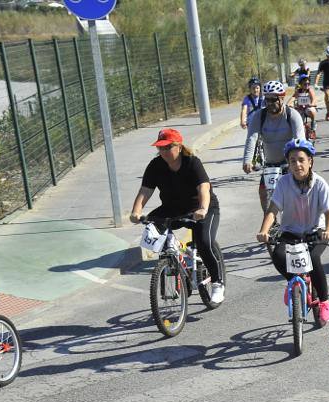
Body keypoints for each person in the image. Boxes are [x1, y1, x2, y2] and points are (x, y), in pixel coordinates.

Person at [131, 128, 224, 305]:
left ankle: (218, 283)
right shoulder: (155, 165)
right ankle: (171, 261)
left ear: (179, 147)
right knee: (153, 224)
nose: (164, 152)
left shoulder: (192, 163)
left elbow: (204, 188)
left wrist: (203, 208)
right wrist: (136, 212)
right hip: (173, 207)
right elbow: (145, 191)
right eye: (160, 148)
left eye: (168, 147)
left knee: (205, 242)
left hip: (202, 208)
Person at [256, 138, 329, 325]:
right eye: (292, 161)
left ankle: (324, 300)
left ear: (310, 161)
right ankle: (293, 281)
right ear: (288, 164)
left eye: (301, 159)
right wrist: (264, 231)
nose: (297, 164)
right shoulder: (283, 183)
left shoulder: (320, 183)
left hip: (316, 232)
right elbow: (273, 210)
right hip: (291, 233)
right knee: (277, 254)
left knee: (314, 259)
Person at [243, 80, 306, 211]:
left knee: (299, 190)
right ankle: (271, 224)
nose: (270, 104)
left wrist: (296, 163)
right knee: (263, 193)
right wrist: (247, 160)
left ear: (282, 98)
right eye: (267, 100)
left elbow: (299, 142)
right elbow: (251, 138)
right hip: (270, 165)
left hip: (290, 162)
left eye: (273, 100)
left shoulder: (292, 115)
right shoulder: (259, 116)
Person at [287, 74, 318, 140]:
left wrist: (312, 104)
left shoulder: (310, 90)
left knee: (311, 111)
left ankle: (313, 127)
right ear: (301, 83)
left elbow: (314, 99)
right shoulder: (298, 91)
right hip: (300, 109)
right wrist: (288, 104)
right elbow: (293, 98)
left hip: (308, 108)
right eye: (305, 82)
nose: (307, 83)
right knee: (297, 122)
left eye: (308, 82)